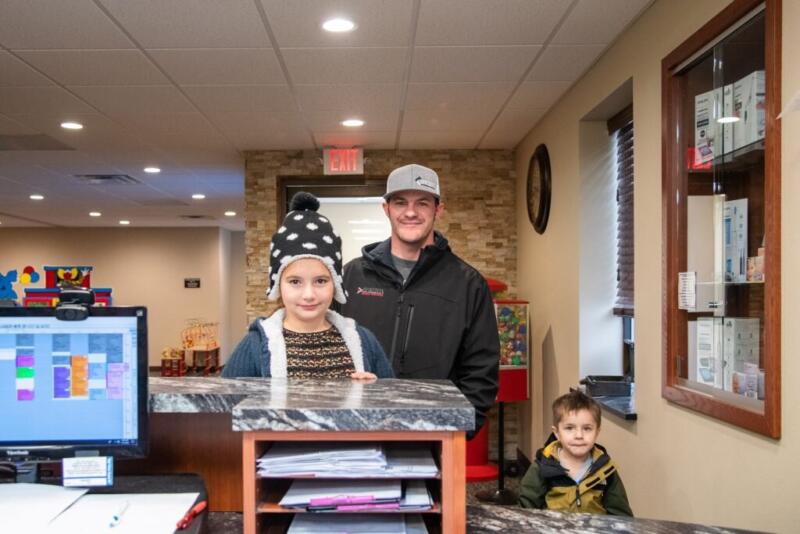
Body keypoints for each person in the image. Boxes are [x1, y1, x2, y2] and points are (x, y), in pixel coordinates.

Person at [340, 163, 499, 434]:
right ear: (386, 208)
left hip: (435, 436)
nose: (411, 212)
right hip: (357, 431)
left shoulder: (468, 284)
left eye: (422, 203)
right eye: (400, 202)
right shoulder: (352, 276)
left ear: (438, 209)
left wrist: (457, 432)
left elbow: (481, 372)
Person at [223, 192, 393, 380]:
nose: (309, 295)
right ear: (278, 284)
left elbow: (393, 396)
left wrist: (374, 392)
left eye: (320, 281)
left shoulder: (364, 341)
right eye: (295, 282)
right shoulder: (254, 345)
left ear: (336, 283)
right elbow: (224, 398)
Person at [518, 390, 633, 516]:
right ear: (557, 433)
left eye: (587, 428)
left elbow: (622, 517)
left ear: (597, 432)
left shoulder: (606, 470)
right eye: (569, 428)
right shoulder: (543, 467)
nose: (579, 435)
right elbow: (525, 513)